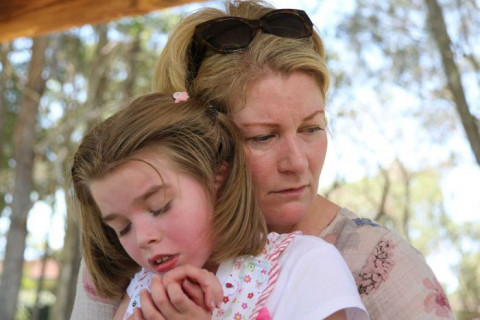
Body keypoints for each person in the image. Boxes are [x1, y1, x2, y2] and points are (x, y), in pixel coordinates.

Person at [70, 0, 455, 319]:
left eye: (312, 128)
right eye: (263, 136)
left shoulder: (377, 263)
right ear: (207, 148)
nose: (297, 164)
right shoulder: (138, 251)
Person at [70, 92, 369, 320]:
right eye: (122, 228)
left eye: (159, 206)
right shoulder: (140, 292)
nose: (142, 238)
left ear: (216, 175)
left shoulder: (306, 266)